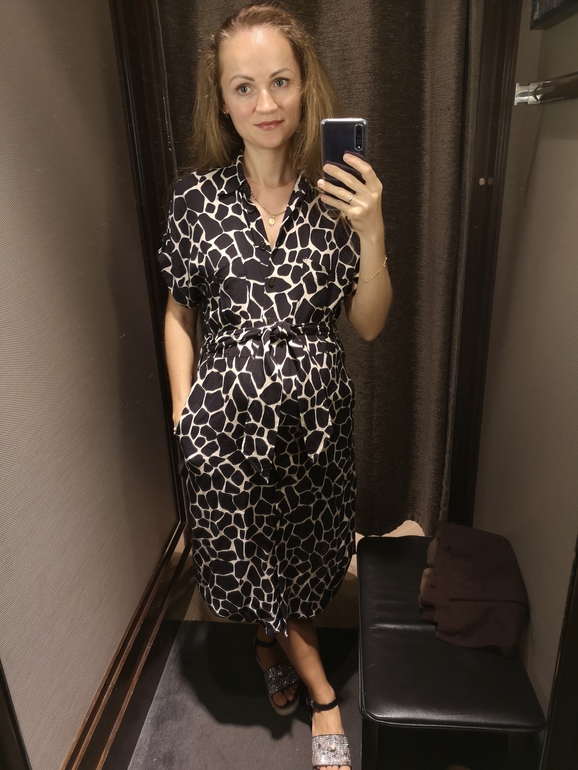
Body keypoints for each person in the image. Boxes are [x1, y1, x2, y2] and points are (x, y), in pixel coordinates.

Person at [157, 4, 392, 768]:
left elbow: (369, 325)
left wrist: (373, 231)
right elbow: (179, 312)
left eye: (281, 81)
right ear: (222, 101)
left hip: (315, 433)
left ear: (305, 85)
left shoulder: (339, 197)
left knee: (300, 560)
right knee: (254, 558)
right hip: (225, 433)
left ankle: (269, 644)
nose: (265, 103)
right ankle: (325, 698)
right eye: (244, 86)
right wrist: (183, 409)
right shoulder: (195, 201)